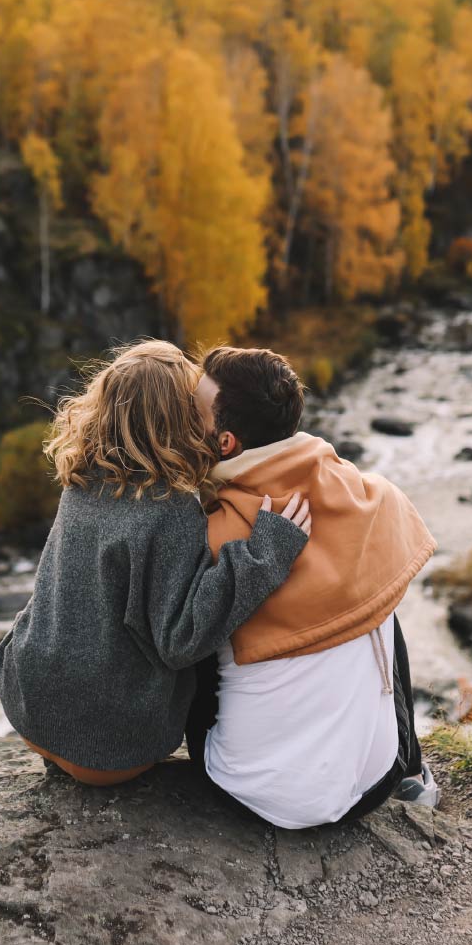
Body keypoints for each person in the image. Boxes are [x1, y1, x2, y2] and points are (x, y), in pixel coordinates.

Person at [0, 339, 312, 786]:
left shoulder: (82, 476)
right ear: (178, 420)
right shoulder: (170, 507)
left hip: (28, 705)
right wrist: (263, 554)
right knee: (211, 650)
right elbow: (182, 640)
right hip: (108, 751)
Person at [185, 345, 439, 829]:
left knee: (198, 624)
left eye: (192, 413)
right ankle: (411, 769)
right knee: (377, 593)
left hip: (250, 793)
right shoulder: (374, 499)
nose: (182, 419)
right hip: (373, 786)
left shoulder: (211, 536)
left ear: (225, 444)